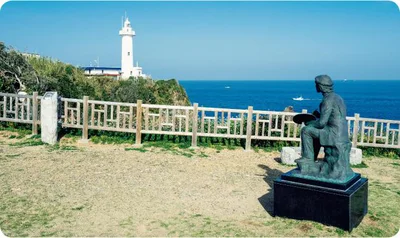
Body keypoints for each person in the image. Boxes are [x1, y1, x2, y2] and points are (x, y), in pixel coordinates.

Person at [300, 75, 350, 162]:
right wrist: (318, 115)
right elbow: (334, 117)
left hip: (333, 134)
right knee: (315, 133)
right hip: (342, 133)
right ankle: (313, 158)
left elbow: (321, 124)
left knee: (306, 130)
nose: (315, 86)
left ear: (321, 86)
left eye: (316, 84)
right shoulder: (338, 97)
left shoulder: (327, 100)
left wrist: (309, 123)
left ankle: (308, 158)